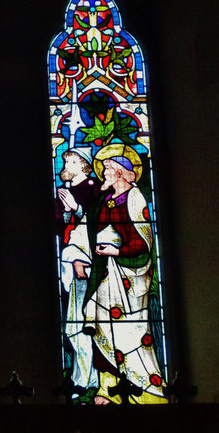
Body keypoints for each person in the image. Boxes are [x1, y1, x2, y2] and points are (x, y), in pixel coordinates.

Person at [82, 144, 166, 404]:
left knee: (130, 333)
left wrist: (116, 252)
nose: (104, 173)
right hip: (106, 274)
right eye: (104, 168)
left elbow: (143, 244)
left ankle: (142, 387)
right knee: (100, 328)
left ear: (121, 172)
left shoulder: (135, 198)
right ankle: (107, 387)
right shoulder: (104, 201)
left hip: (129, 278)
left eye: (108, 169)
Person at [55, 147, 100, 395]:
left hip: (83, 264)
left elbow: (97, 221)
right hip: (70, 264)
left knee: (79, 326)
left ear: (84, 165)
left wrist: (77, 208)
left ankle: (84, 382)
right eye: (65, 161)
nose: (66, 165)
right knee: (73, 327)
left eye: (71, 161)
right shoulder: (68, 191)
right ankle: (86, 378)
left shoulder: (93, 189)